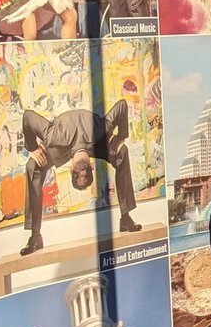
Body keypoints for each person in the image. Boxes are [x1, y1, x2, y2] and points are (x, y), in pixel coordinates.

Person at [19, 98, 142, 256]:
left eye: (78, 172)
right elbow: (122, 105)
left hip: (85, 141)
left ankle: (125, 218)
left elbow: (28, 116)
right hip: (68, 143)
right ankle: (35, 236)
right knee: (32, 166)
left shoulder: (95, 131)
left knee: (122, 151)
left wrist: (33, 147)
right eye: (84, 171)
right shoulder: (94, 131)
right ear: (92, 165)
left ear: (71, 169)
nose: (80, 170)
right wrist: (120, 137)